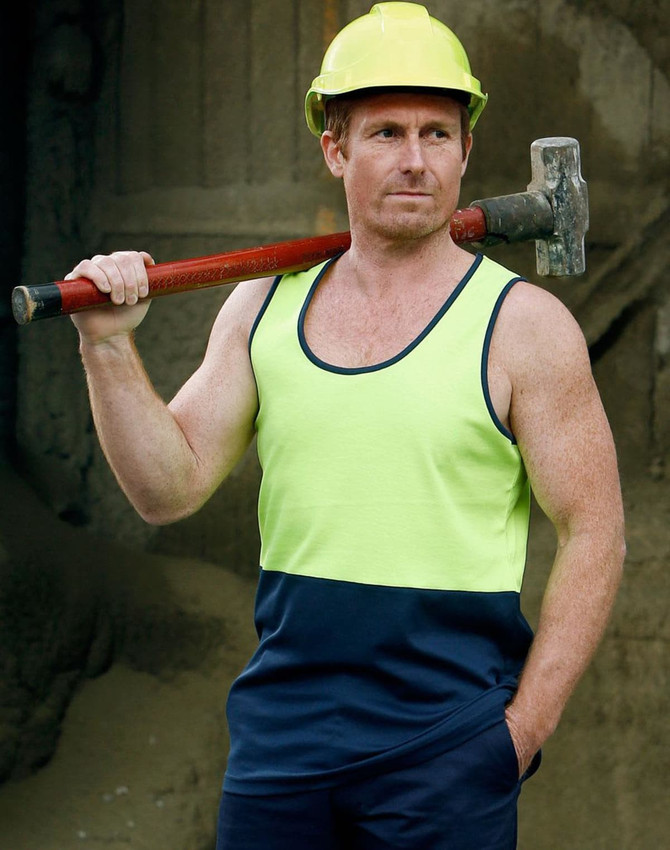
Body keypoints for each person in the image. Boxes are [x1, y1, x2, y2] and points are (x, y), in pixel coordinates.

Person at [66, 3, 625, 848]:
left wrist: (520, 735)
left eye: (437, 134)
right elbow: (165, 490)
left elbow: (596, 530)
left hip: (449, 756)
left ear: (467, 151)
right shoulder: (262, 305)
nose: (415, 160)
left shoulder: (523, 327)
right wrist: (106, 345)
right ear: (335, 150)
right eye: (386, 133)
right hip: (279, 753)